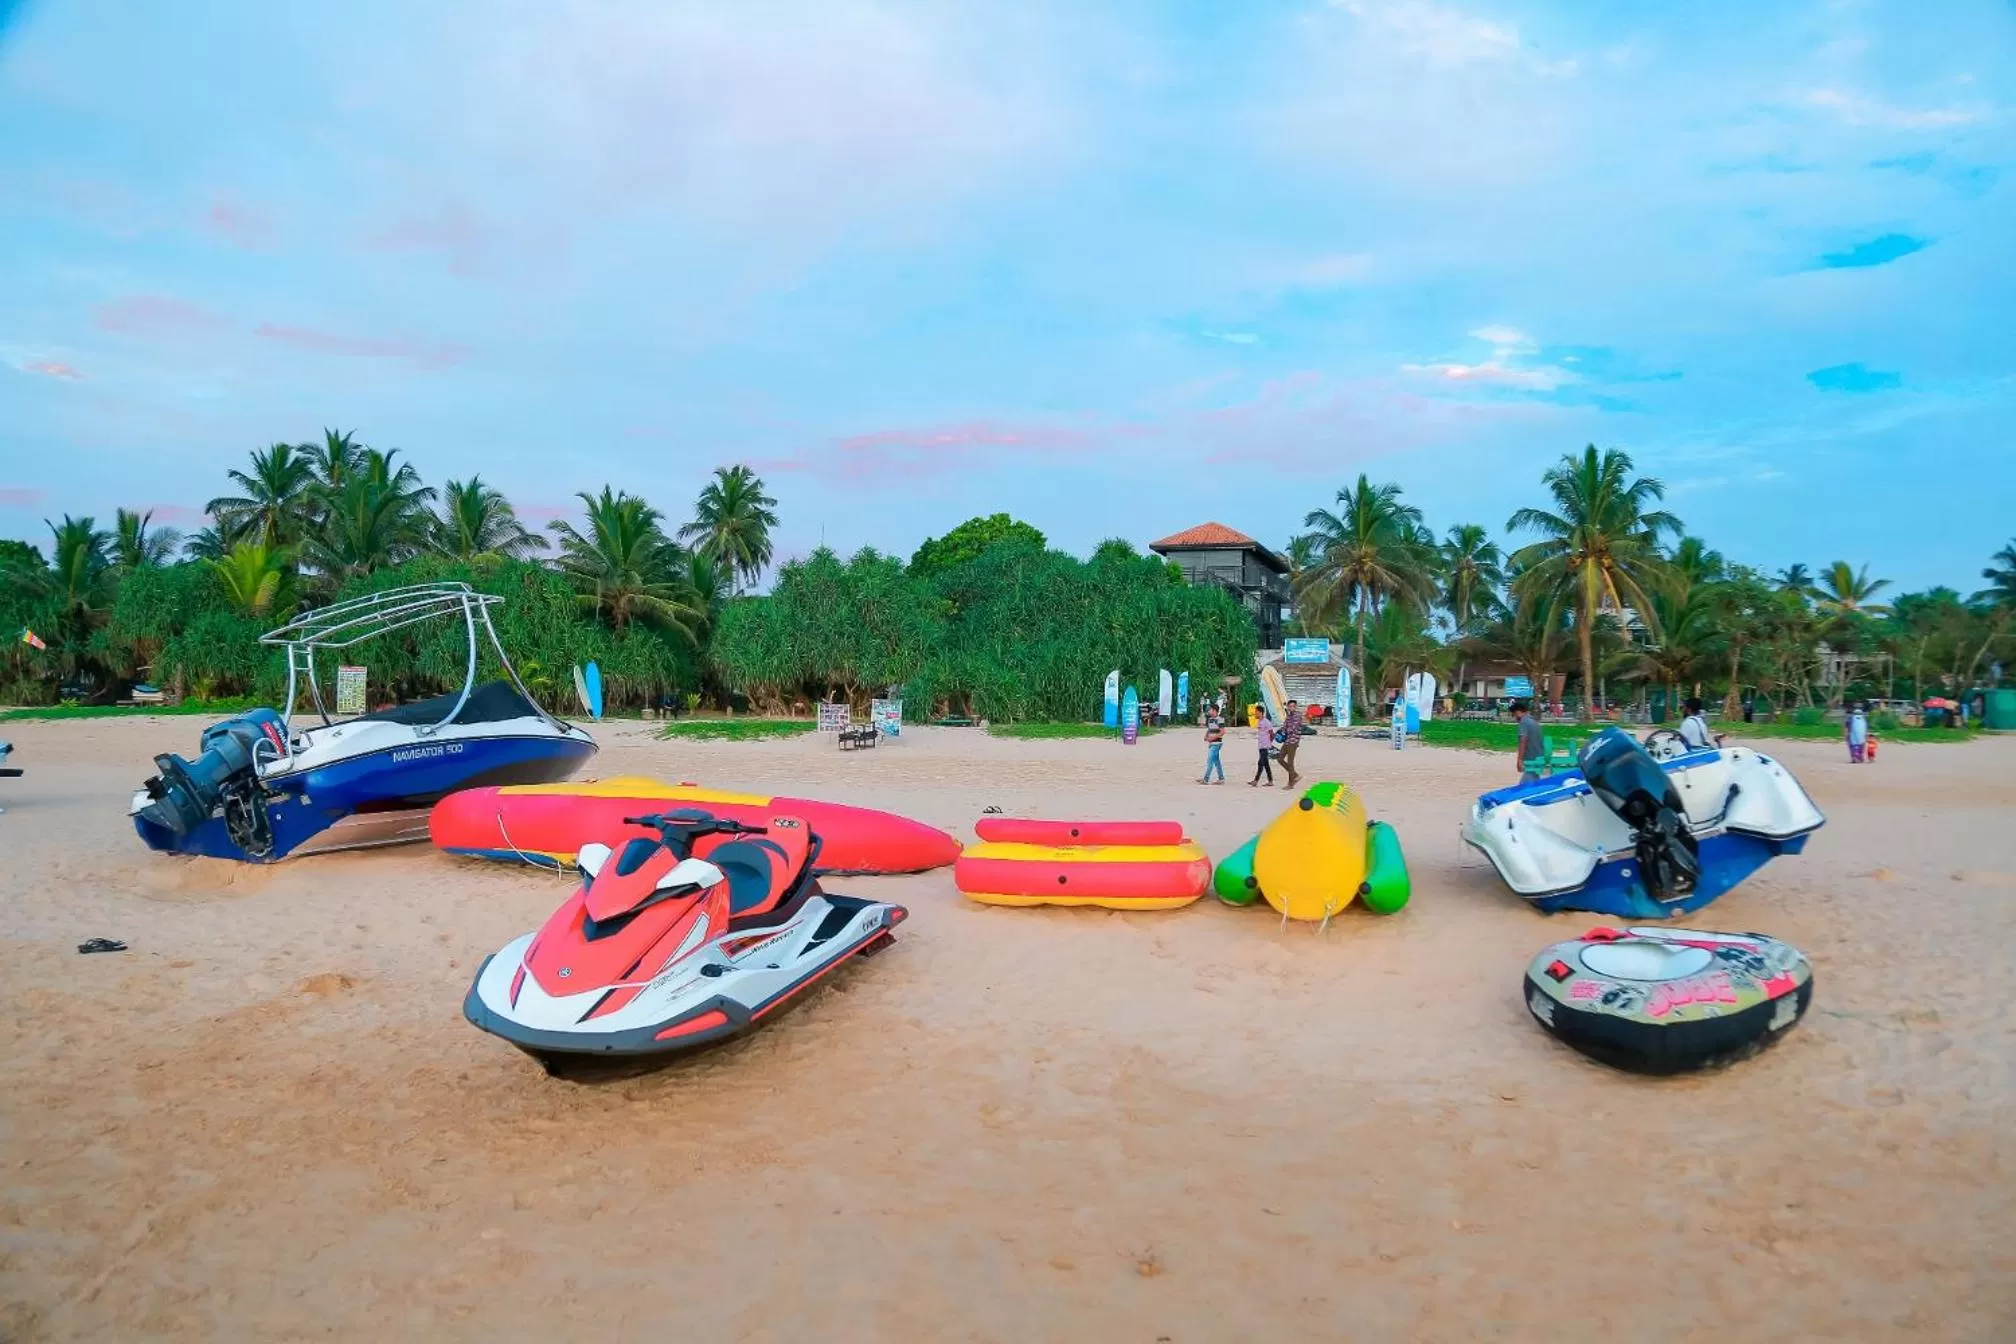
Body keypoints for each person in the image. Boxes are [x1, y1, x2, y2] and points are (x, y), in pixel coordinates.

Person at [1513, 699, 1543, 784]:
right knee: (1534, 783)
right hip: (1538, 757)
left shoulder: (1524, 722)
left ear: (1518, 712)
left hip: (1531, 760)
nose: (1514, 718)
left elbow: (1523, 741)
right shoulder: (1533, 721)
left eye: (1514, 714)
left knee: (1524, 786)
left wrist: (1519, 760)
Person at [1276, 698, 1304, 789]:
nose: (1292, 708)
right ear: (1288, 707)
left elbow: (1293, 728)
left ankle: (1291, 784)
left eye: (1293, 706)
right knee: (1280, 759)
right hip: (1287, 741)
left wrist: (1285, 731)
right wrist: (1279, 732)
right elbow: (1284, 727)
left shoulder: (1297, 716)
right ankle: (1295, 775)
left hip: (1293, 741)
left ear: (1295, 707)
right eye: (1290, 706)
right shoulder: (1288, 716)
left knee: (1290, 763)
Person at [1250, 709, 1275, 786]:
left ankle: (1256, 780)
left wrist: (1269, 743)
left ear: (1260, 713)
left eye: (1256, 712)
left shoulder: (1267, 722)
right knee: (1266, 764)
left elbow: (1272, 734)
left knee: (1260, 763)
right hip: (1261, 746)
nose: (1255, 714)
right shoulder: (1259, 721)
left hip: (1265, 746)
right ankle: (1270, 781)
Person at [1199, 713, 1225, 784]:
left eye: (1210, 710)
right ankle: (1221, 778)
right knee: (1216, 761)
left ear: (1214, 711)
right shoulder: (1210, 719)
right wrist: (1206, 735)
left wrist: (1212, 738)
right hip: (1212, 743)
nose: (1209, 711)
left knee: (1210, 761)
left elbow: (1222, 732)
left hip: (1217, 743)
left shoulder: (1220, 719)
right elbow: (1209, 729)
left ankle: (1206, 779)